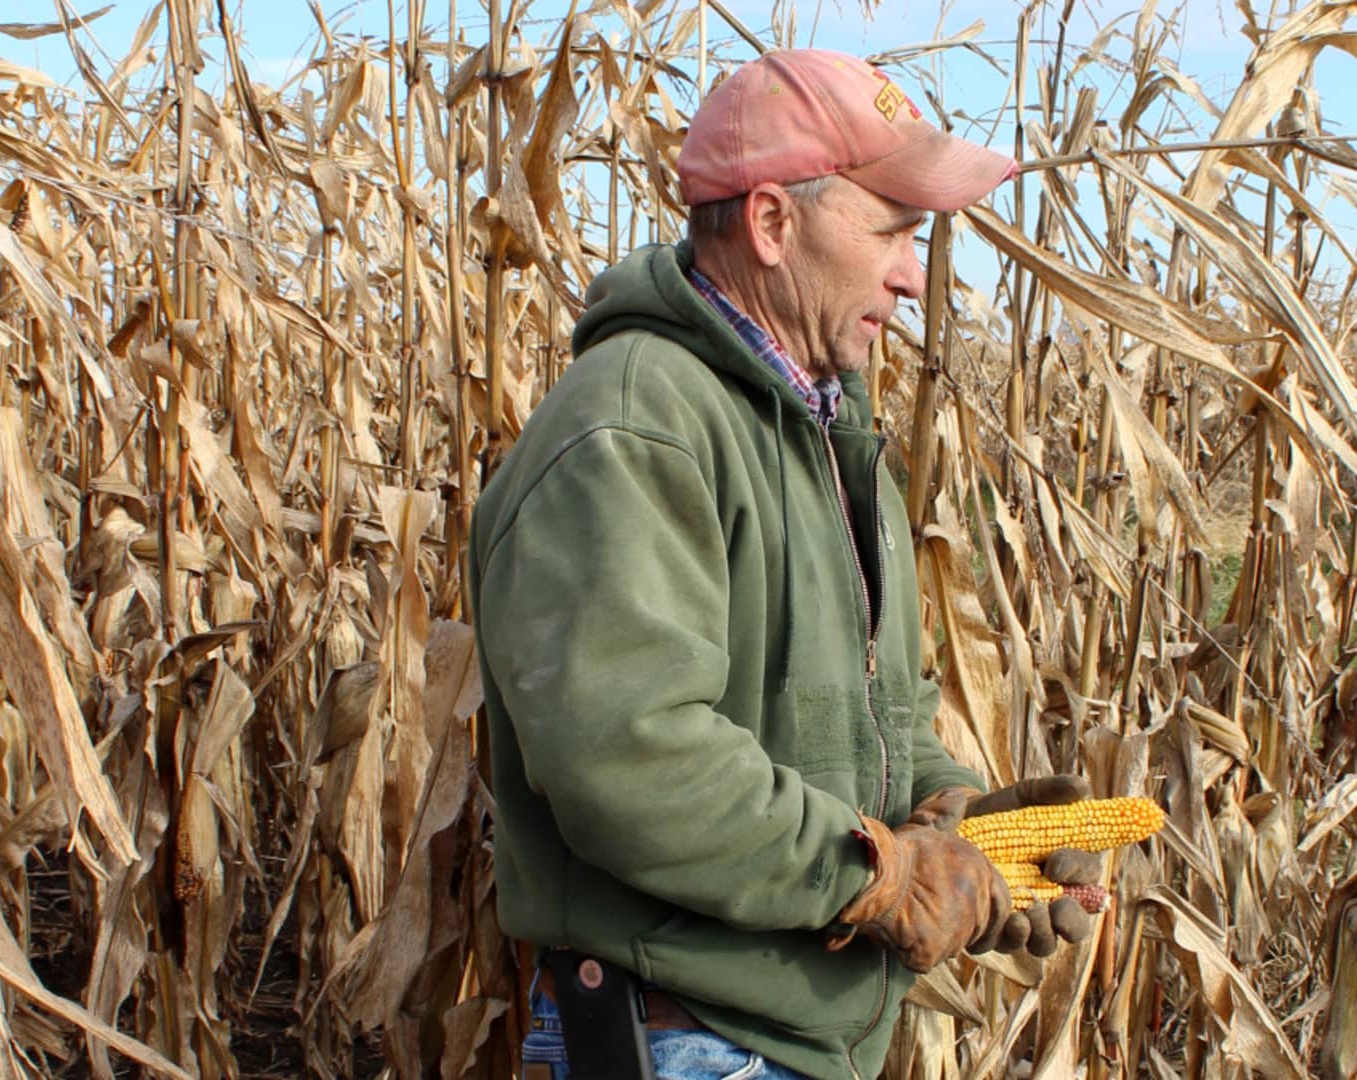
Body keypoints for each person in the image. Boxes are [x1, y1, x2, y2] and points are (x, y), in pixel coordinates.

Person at [469, 49, 1103, 1080]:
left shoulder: (827, 433)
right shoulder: (637, 425)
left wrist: (970, 827)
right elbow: (631, 757)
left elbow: (875, 721)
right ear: (771, 223)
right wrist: (887, 878)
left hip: (784, 1046)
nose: (913, 271)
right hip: (680, 1046)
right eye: (893, 228)